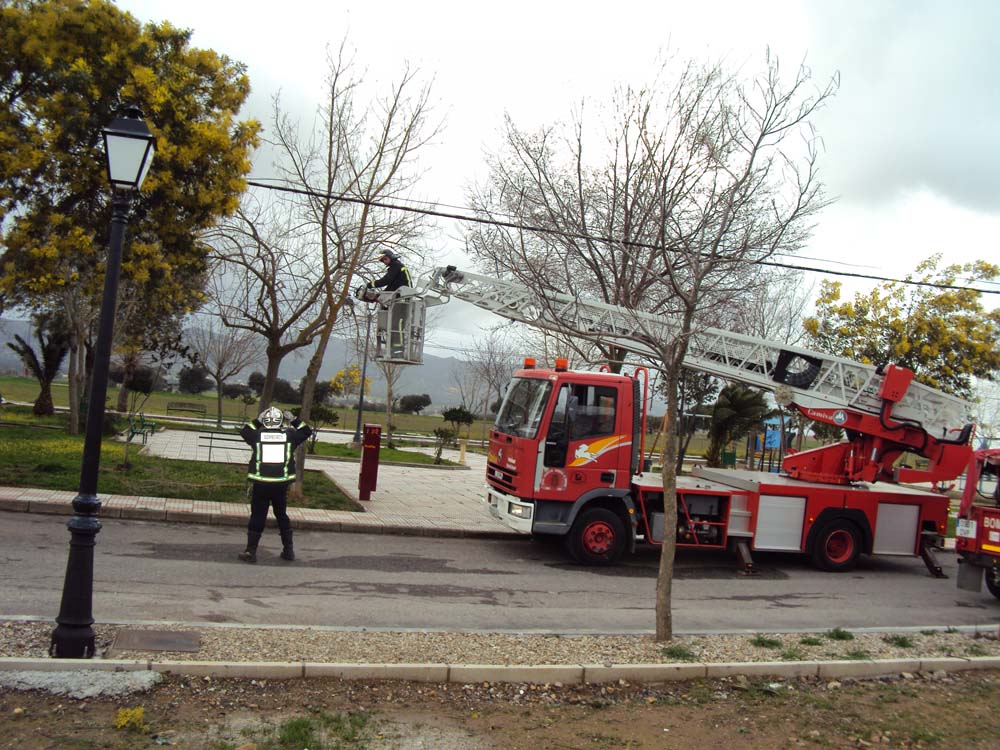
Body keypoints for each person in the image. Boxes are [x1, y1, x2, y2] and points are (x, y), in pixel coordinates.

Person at [237, 407, 312, 563]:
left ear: (265, 421)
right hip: (280, 484)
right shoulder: (289, 436)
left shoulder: (257, 436)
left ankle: (251, 552)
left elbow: (244, 431)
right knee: (281, 515)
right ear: (281, 421)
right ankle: (288, 550)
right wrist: (293, 419)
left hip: (261, 483)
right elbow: (306, 431)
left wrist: (257, 420)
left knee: (258, 515)